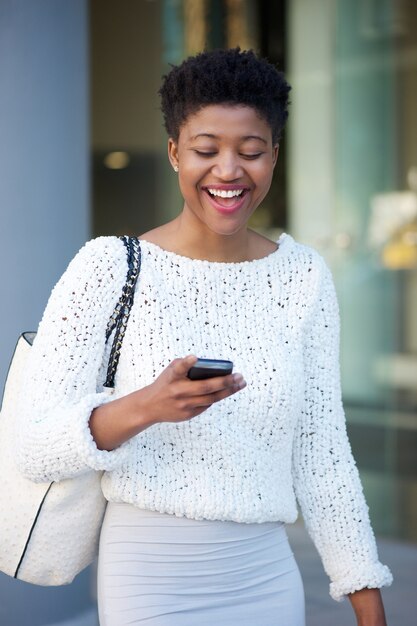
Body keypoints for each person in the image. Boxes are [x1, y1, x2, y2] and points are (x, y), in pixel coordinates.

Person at [17, 48, 392, 625]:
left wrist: (368, 601)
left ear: (273, 156)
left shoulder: (304, 276)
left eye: (250, 152)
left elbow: (323, 454)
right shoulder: (108, 268)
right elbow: (36, 446)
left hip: (266, 576)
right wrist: (145, 406)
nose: (228, 171)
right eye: (205, 150)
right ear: (174, 153)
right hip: (149, 577)